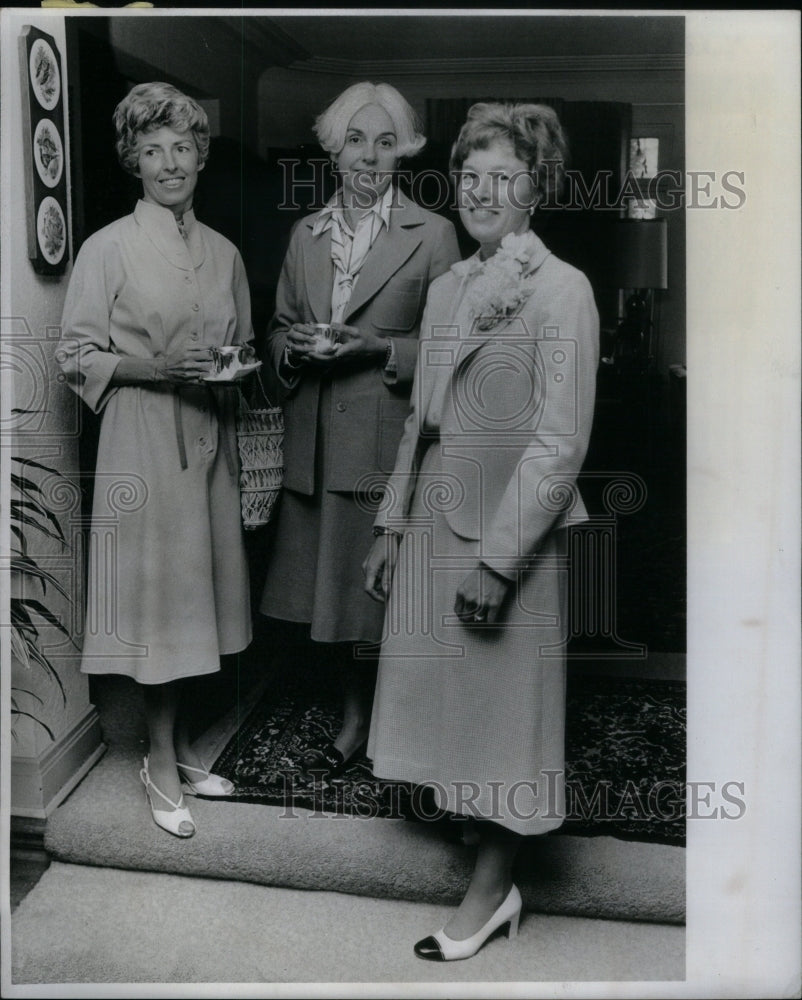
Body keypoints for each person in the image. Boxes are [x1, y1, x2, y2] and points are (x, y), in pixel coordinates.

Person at [363, 102, 599, 961]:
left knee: (507, 722)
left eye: (503, 176)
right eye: (470, 175)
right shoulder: (449, 286)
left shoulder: (562, 289)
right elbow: (420, 423)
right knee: (457, 707)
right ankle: (480, 845)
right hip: (435, 523)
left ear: (537, 188)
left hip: (512, 541)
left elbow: (560, 442)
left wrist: (500, 564)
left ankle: (494, 891)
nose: (482, 191)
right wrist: (391, 523)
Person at [58, 82, 253, 839]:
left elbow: (234, 347)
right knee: (160, 609)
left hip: (209, 438)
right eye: (153, 150)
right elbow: (76, 356)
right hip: (141, 440)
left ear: (200, 157)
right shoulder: (107, 247)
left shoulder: (225, 252)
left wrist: (234, 366)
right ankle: (160, 758)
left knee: (197, 603)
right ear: (132, 160)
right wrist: (159, 369)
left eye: (182, 148)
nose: (169, 163)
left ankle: (180, 744)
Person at [259, 82, 460, 775]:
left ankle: (382, 724)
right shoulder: (305, 235)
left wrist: (375, 349)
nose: (370, 157)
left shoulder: (433, 234)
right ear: (334, 151)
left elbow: (449, 350)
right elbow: (278, 328)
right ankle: (356, 712)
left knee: (381, 596)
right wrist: (294, 349)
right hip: (314, 442)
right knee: (335, 600)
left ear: (402, 151)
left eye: (385, 142)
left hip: (384, 443)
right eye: (355, 141)